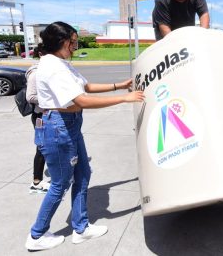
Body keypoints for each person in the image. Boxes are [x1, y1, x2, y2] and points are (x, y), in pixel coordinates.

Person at [25, 21, 145, 251]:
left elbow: (85, 87)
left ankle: (81, 228)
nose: (75, 45)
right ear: (62, 41)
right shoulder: (52, 66)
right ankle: (37, 234)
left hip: (70, 127)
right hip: (59, 129)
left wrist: (119, 85)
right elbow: (82, 101)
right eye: (73, 41)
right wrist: (124, 98)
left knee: (83, 174)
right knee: (60, 184)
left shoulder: (62, 63)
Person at [26, 44, 50, 194]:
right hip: (40, 116)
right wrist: (50, 103)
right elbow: (31, 96)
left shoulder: (46, 70)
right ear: (41, 54)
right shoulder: (35, 72)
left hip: (47, 114)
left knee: (50, 147)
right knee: (42, 148)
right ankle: (36, 182)